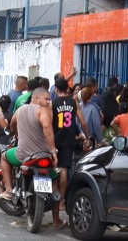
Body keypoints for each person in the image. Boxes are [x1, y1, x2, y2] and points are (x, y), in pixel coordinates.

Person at [0, 88, 67, 229]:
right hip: (44, 156)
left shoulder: (20, 110)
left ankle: (9, 190)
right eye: (46, 99)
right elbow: (47, 127)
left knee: (4, 157)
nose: (49, 102)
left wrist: (16, 134)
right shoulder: (43, 111)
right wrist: (53, 151)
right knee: (54, 182)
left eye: (49, 99)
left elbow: (12, 125)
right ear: (36, 98)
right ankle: (56, 220)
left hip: (23, 155)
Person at [52, 78, 90, 210]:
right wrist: (87, 137)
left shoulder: (52, 103)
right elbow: (83, 122)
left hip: (54, 140)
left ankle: (51, 196)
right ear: (68, 89)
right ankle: (61, 201)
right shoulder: (73, 102)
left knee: (52, 169)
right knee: (63, 170)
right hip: (68, 140)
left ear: (56, 89)